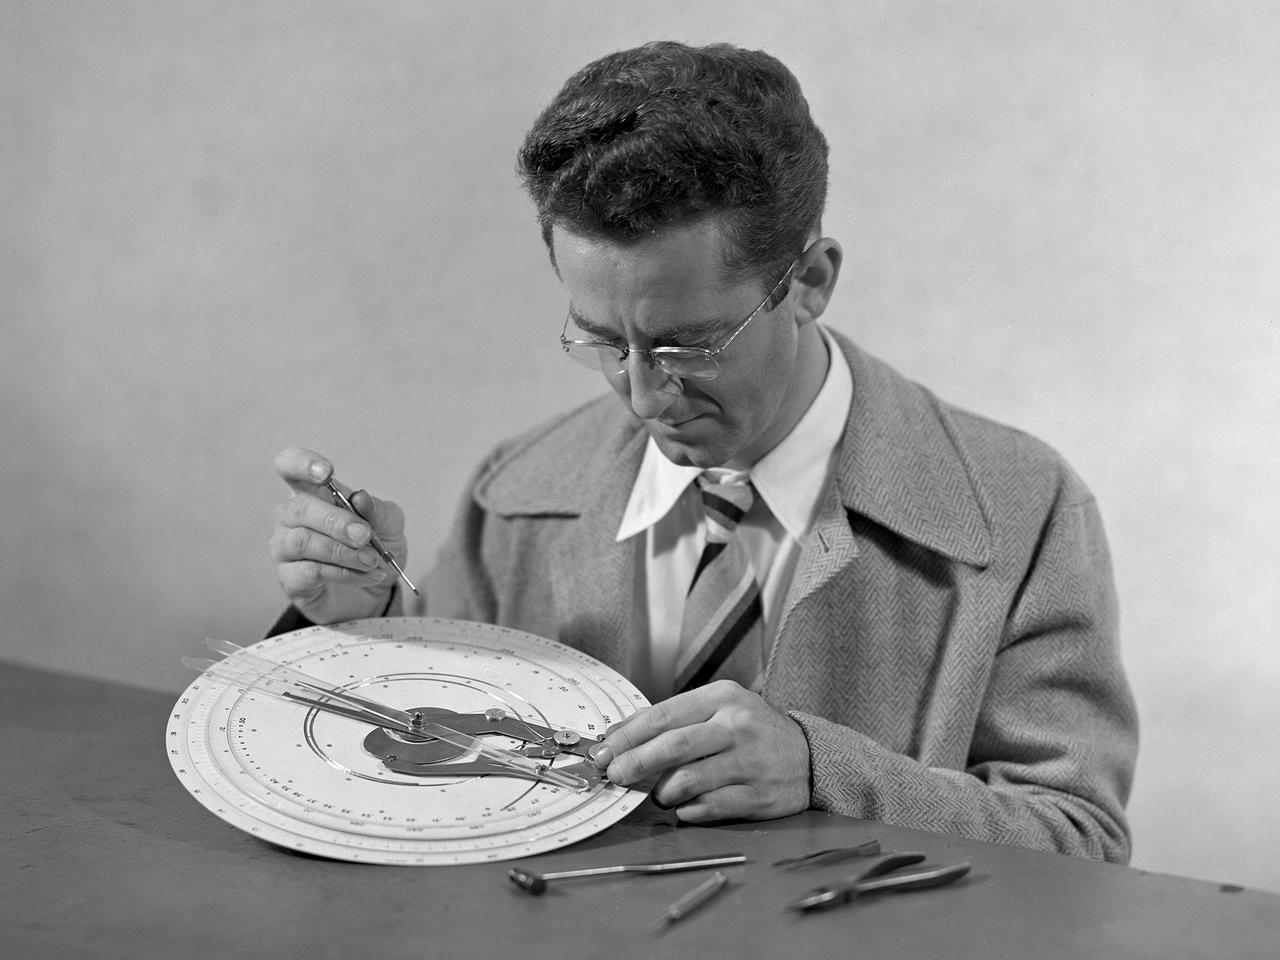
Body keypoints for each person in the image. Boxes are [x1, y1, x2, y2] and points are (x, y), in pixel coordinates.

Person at [267, 41, 1138, 862]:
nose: (645, 397)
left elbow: (1080, 842)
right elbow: (423, 771)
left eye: (689, 345)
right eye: (603, 341)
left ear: (810, 282)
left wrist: (821, 773)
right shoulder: (514, 495)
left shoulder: (1024, 510)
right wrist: (357, 629)